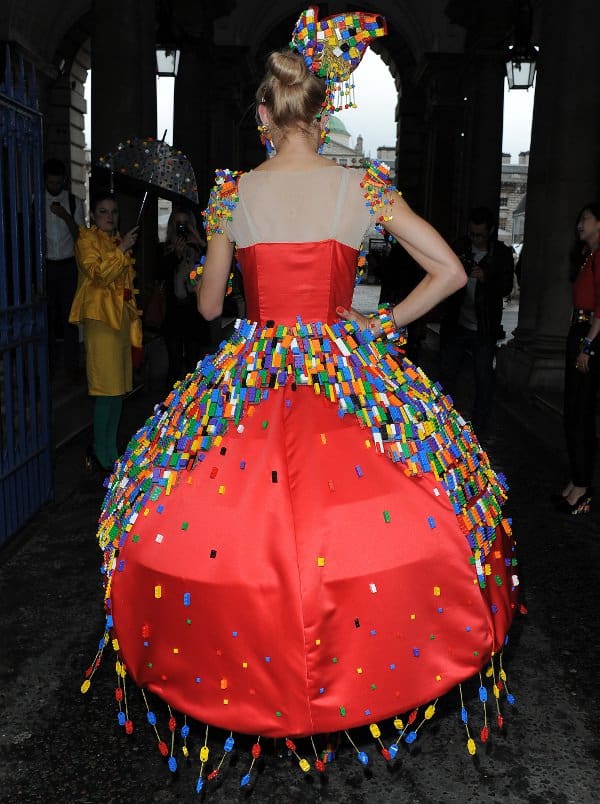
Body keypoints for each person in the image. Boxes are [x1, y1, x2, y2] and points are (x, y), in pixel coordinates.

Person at [84, 8, 518, 790]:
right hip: (344, 363)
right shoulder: (362, 186)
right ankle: (358, 669)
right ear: (325, 112)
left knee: (201, 511)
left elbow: (213, 308)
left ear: (263, 114)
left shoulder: (230, 194)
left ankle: (254, 678)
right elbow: (450, 272)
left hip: (255, 366)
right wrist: (377, 324)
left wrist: (203, 274)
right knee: (409, 501)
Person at [69, 191, 142, 474]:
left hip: (120, 321)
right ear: (92, 215)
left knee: (117, 390)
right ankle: (102, 452)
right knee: (105, 389)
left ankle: (110, 448)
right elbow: (98, 273)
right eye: (103, 211)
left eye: (113, 211)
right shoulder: (86, 240)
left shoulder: (115, 241)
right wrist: (121, 249)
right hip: (100, 321)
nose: (109, 216)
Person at [439, 207, 515, 438]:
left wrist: (487, 278)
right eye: (472, 233)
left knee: (483, 380)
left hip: (484, 327)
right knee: (446, 376)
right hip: (457, 325)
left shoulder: (501, 254)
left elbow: (506, 287)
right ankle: (443, 425)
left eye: (480, 235)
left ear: (490, 232)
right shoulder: (459, 248)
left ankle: (477, 431)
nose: (475, 239)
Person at [553, 202, 600, 515]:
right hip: (580, 330)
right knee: (573, 409)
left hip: (589, 335)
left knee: (581, 412)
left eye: (585, 218)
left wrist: (587, 346)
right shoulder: (589, 257)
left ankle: (583, 487)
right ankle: (578, 477)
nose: (579, 223)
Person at [155, 205, 208, 384]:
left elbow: (212, 268)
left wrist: (198, 239)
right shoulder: (165, 249)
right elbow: (161, 274)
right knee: (175, 364)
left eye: (186, 224)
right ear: (172, 226)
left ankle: (193, 405)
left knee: (194, 364)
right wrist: (176, 256)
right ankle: (171, 406)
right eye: (179, 224)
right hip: (173, 314)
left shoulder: (198, 247)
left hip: (194, 313)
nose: (182, 228)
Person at [43, 158, 86, 377]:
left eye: (57, 183)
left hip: (68, 265)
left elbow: (80, 235)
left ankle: (71, 366)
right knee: (48, 316)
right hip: (46, 265)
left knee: (70, 316)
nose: (54, 187)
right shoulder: (36, 201)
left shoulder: (73, 201)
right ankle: (49, 365)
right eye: (50, 183)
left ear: (64, 181)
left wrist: (64, 215)